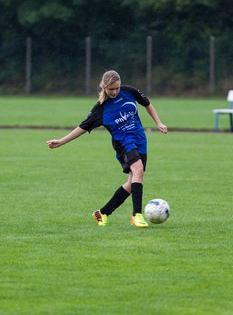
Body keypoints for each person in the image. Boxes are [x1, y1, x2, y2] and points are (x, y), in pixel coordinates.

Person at [47, 70, 167, 228]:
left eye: (117, 88)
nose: (115, 92)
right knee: (138, 169)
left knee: (133, 181)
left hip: (140, 140)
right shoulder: (101, 109)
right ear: (104, 87)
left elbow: (147, 104)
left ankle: (101, 213)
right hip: (123, 143)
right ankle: (137, 215)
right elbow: (82, 127)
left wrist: (158, 122)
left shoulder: (129, 91)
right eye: (111, 89)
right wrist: (61, 141)